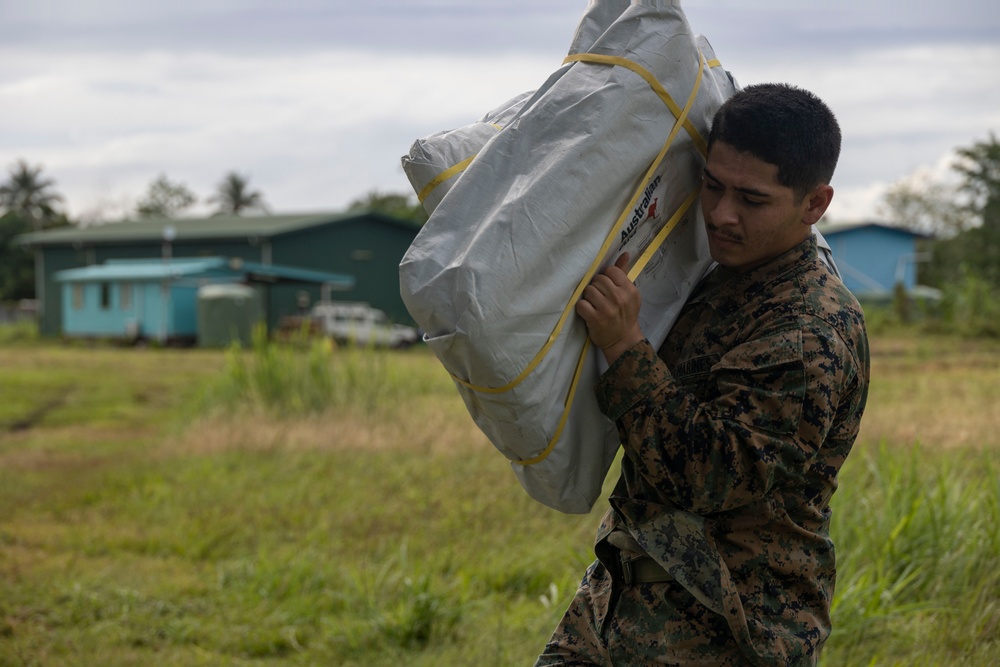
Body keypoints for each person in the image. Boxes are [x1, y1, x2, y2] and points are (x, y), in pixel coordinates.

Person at [535, 83, 871, 666]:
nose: (721, 214)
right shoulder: (716, 274)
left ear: (814, 204)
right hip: (618, 603)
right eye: (712, 185)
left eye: (752, 199)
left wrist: (624, 343)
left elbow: (711, 477)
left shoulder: (807, 329)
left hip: (727, 631)